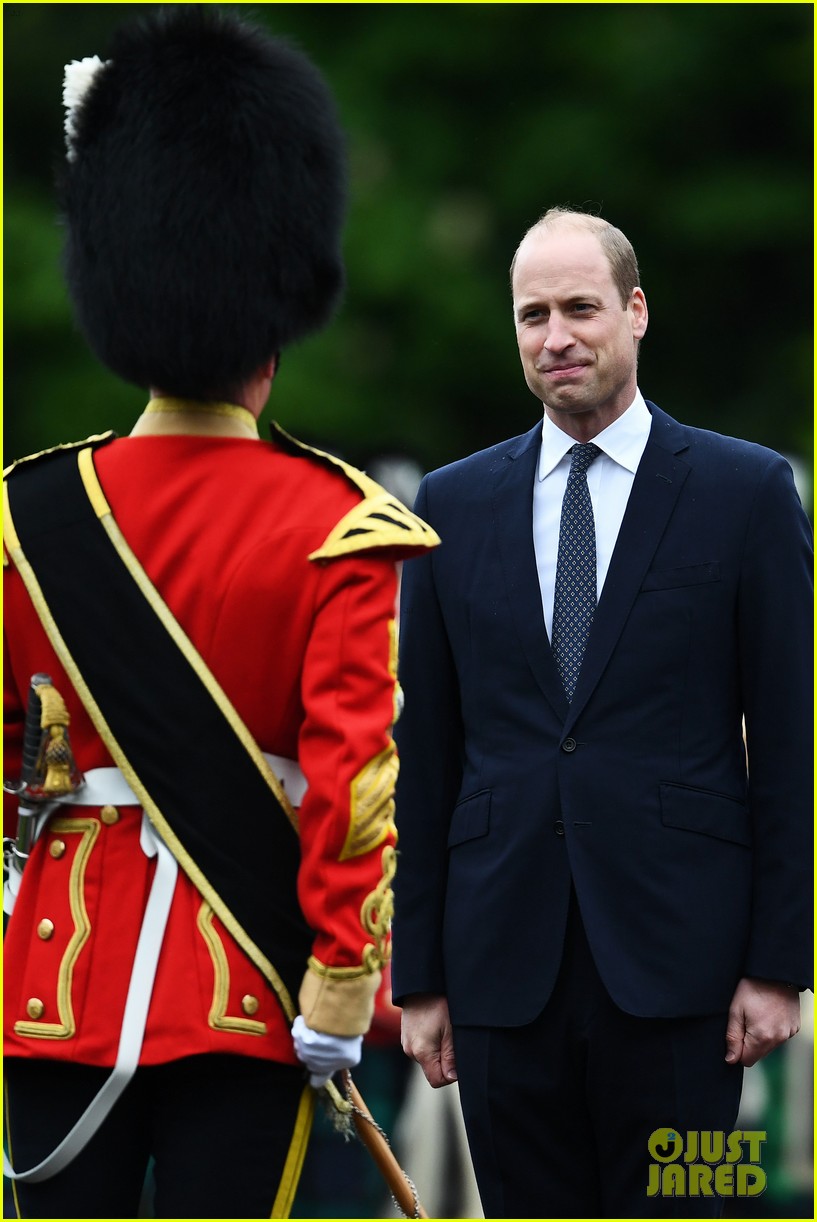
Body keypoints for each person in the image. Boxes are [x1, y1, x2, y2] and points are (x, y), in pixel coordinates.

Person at [2, 8, 437, 1218]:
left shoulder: (24, 515)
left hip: (56, 977)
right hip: (252, 995)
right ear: (275, 331)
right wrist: (342, 991)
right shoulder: (340, 520)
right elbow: (354, 789)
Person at [392, 206, 812, 1218]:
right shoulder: (449, 506)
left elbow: (793, 746)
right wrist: (420, 979)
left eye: (579, 308)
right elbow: (427, 754)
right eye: (531, 314)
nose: (556, 336)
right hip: (500, 980)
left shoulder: (746, 492)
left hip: (691, 985)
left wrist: (779, 967)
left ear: (634, 312)